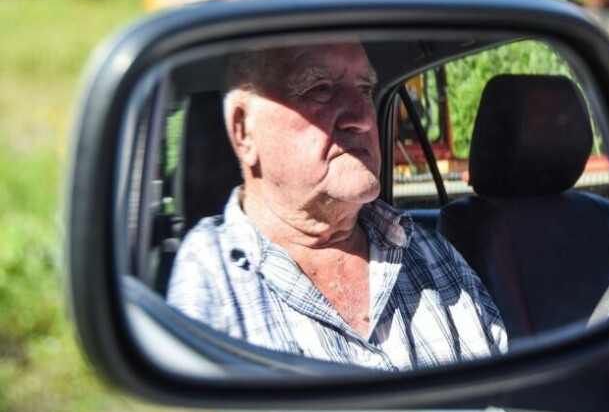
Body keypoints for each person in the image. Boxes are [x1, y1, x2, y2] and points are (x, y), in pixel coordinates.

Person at [166, 41, 507, 370]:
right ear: (244, 131)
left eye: (364, 88)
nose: (362, 117)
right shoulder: (211, 275)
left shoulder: (428, 251)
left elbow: (504, 395)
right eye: (320, 89)